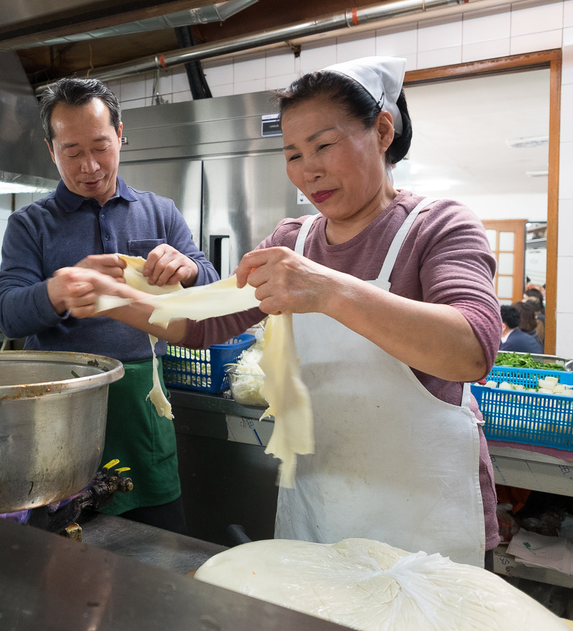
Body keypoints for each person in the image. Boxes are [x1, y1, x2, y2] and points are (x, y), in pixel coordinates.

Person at [66, 57, 502, 567]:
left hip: (424, 520)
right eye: (292, 153)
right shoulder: (292, 240)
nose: (307, 169)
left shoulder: (440, 226)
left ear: (382, 130)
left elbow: (472, 350)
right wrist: (112, 298)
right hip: (323, 510)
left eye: (323, 145)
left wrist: (328, 289)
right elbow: (206, 323)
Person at [0, 77, 219, 534]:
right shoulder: (29, 225)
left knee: (158, 540)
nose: (89, 165)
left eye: (100, 145)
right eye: (72, 151)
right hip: (62, 407)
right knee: (63, 542)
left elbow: (210, 291)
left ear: (120, 133)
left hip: (141, 405)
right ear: (50, 150)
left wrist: (190, 269)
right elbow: (7, 311)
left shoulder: (160, 212)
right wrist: (58, 291)